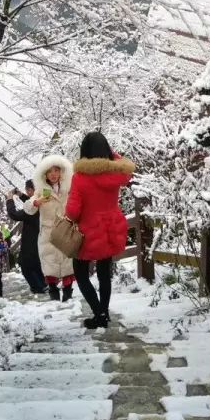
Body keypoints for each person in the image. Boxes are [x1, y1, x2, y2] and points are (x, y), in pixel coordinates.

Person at [65, 132, 133, 329]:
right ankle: (104, 312)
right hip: (111, 228)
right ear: (107, 150)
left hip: (89, 232)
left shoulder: (80, 177)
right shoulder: (116, 174)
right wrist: (111, 154)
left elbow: (73, 211)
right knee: (104, 273)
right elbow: (123, 165)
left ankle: (98, 313)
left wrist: (69, 215)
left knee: (81, 273)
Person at [26, 154, 76, 301]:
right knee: (49, 262)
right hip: (48, 233)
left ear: (61, 172)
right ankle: (53, 289)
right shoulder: (41, 191)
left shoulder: (68, 188)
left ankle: (68, 290)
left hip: (66, 230)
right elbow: (28, 208)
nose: (53, 174)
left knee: (67, 261)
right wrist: (37, 202)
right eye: (50, 171)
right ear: (45, 174)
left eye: (56, 170)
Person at [6, 179, 47, 294]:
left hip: (30, 240)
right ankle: (43, 284)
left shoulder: (32, 209)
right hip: (40, 238)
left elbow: (14, 214)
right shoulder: (43, 200)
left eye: (29, 190)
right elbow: (31, 202)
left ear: (32, 190)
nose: (27, 192)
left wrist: (9, 199)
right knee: (35, 263)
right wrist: (20, 195)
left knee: (25, 266)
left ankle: (38, 288)